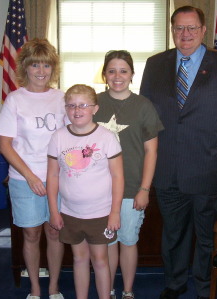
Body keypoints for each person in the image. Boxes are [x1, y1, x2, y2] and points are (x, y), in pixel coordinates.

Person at [139, 6, 217, 299]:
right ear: (172, 30)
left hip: (209, 167)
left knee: (206, 234)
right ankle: (174, 284)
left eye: (192, 28)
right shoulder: (155, 64)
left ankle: (203, 286)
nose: (185, 34)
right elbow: (145, 117)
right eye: (179, 28)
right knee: (173, 233)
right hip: (167, 167)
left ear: (202, 30)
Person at [0, 38, 66, 299]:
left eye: (46, 66)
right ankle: (36, 289)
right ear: (25, 67)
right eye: (35, 65)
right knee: (32, 233)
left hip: (57, 178)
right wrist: (30, 176)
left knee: (55, 232)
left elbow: (72, 137)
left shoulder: (62, 98)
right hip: (24, 179)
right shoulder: (15, 99)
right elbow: (5, 145)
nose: (40, 71)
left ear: (53, 68)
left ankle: (54, 286)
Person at [93, 50, 164, 299]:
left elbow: (151, 152)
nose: (117, 76)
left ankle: (128, 290)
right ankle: (108, 288)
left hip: (132, 187)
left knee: (128, 240)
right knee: (108, 242)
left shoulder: (144, 106)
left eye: (123, 70)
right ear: (104, 74)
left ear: (132, 75)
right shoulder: (94, 104)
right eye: (111, 70)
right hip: (100, 190)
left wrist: (144, 189)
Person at [46, 84, 124, 299]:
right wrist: (54, 210)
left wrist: (115, 212)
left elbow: (117, 176)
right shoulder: (58, 137)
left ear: (95, 109)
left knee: (100, 260)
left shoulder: (106, 137)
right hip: (70, 212)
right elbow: (52, 176)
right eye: (71, 105)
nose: (76, 110)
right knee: (79, 259)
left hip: (100, 213)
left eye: (83, 105)